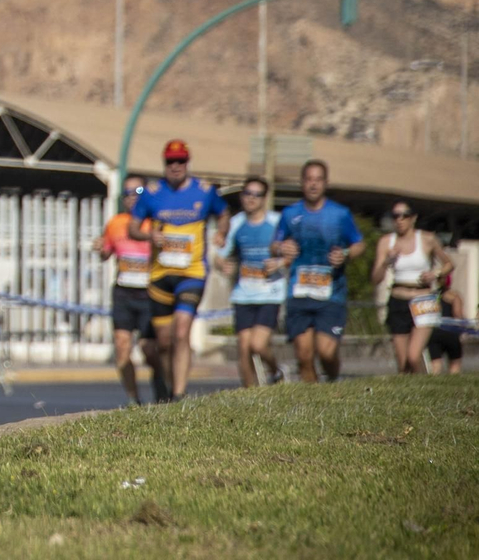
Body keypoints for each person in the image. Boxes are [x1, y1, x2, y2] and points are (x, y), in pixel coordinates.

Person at [129, 139, 229, 402]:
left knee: (182, 331)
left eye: (181, 161)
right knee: (163, 342)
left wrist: (222, 232)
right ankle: (167, 385)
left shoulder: (204, 191)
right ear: (164, 163)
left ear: (187, 162)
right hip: (160, 275)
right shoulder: (151, 193)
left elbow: (224, 214)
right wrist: (149, 236)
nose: (175, 166)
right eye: (170, 161)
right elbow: (133, 228)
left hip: (192, 273)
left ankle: (179, 394)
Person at [271, 159, 364, 383]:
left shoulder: (340, 214)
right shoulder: (290, 213)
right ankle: (313, 398)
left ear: (326, 183)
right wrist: (282, 248)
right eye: (309, 179)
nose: (313, 184)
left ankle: (333, 381)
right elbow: (274, 245)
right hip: (299, 292)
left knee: (326, 352)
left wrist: (345, 254)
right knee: (304, 356)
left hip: (331, 293)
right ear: (302, 183)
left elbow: (359, 244)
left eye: (318, 180)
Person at [93, 175, 166, 404]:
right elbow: (106, 253)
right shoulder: (115, 223)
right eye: (127, 193)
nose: (132, 197)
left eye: (138, 192)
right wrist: (100, 248)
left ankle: (161, 383)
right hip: (123, 291)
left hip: (150, 292)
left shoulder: (155, 223)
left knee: (148, 349)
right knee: (122, 346)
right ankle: (134, 400)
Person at [215, 176, 285, 387]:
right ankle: (250, 394)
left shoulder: (277, 222)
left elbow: (293, 251)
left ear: (264, 198)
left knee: (258, 345)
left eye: (257, 194)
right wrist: (223, 265)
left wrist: (280, 262)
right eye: (247, 193)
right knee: (244, 348)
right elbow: (220, 255)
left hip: (270, 293)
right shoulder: (236, 223)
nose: (251, 198)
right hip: (243, 294)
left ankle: (275, 371)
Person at [371, 202, 454, 374]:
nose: (400, 220)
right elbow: (375, 278)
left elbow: (449, 264)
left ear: (413, 218)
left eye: (405, 215)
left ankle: (424, 383)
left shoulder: (427, 239)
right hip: (398, 299)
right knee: (403, 364)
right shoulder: (386, 242)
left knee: (413, 356)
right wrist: (387, 261)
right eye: (395, 216)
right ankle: (414, 387)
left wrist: (435, 273)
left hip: (423, 299)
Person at [426, 275, 465, 375]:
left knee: (436, 365)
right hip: (450, 332)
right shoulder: (454, 296)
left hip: (434, 332)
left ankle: (434, 382)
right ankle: (454, 382)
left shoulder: (432, 296)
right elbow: (458, 315)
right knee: (455, 364)